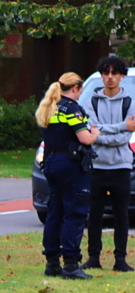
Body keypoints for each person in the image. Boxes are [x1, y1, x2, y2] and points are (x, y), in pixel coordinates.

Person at [35, 72, 100, 279]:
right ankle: (71, 264)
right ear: (75, 88)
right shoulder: (72, 109)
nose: (81, 94)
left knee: (55, 211)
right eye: (80, 90)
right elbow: (85, 138)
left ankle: (52, 262)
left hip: (52, 163)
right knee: (75, 213)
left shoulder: (49, 107)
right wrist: (95, 133)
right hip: (71, 165)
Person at [82, 55, 135, 272]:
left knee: (121, 215)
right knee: (94, 216)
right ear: (102, 76)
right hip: (97, 167)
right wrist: (122, 126)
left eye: (114, 73)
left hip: (121, 167)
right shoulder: (91, 101)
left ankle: (120, 259)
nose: (110, 77)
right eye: (106, 73)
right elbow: (89, 129)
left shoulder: (130, 102)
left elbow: (125, 137)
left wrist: (101, 132)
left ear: (122, 76)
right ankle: (93, 257)